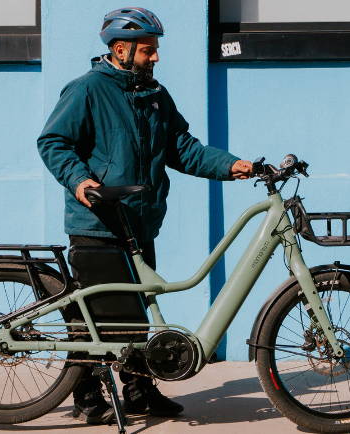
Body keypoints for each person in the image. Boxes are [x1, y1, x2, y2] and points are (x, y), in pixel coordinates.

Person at [37, 7, 252, 425]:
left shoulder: (155, 95)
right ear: (121, 50)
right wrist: (80, 181)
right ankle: (87, 395)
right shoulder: (87, 90)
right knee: (97, 317)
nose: (155, 57)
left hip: (139, 223)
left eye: (155, 49)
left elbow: (182, 148)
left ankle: (139, 390)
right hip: (98, 221)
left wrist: (231, 165)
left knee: (136, 312)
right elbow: (54, 141)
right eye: (148, 50)